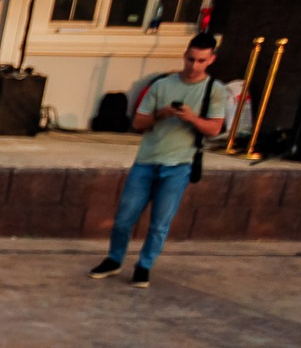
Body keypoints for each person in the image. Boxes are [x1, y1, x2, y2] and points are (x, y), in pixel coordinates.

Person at [89, 32, 232, 289]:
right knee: (124, 216)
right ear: (184, 55)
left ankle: (144, 265)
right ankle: (114, 258)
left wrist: (191, 118)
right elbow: (138, 123)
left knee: (160, 222)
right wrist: (162, 114)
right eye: (190, 59)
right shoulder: (162, 85)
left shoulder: (215, 91)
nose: (193, 65)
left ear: (211, 60)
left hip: (179, 164)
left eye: (201, 61)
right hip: (147, 160)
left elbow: (214, 129)